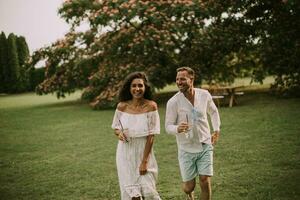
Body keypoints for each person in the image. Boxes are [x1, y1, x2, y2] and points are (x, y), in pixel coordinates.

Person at [165, 67, 221, 200]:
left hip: (205, 144)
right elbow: (168, 126)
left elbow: (213, 112)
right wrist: (177, 128)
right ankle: (189, 193)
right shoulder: (173, 102)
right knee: (189, 187)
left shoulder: (204, 95)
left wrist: (216, 130)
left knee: (204, 180)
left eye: (182, 79)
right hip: (186, 148)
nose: (179, 82)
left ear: (191, 79)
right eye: (177, 79)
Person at [111, 72, 161, 200]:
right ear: (129, 88)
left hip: (143, 152)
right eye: (134, 86)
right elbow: (116, 127)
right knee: (133, 196)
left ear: (145, 88)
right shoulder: (122, 106)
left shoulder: (151, 106)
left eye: (140, 85)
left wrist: (144, 161)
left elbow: (151, 136)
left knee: (149, 193)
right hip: (125, 153)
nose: (137, 89)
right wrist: (119, 133)